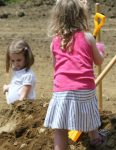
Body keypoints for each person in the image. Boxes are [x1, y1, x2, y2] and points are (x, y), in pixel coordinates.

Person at [44, 0, 106, 149]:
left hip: (61, 91)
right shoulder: (88, 37)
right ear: (81, 16)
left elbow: (56, 67)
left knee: (60, 128)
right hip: (85, 90)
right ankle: (95, 139)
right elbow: (98, 61)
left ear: (57, 17)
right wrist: (101, 50)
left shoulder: (54, 41)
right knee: (90, 114)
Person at [3, 38, 36, 104]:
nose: (15, 64)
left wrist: (17, 107)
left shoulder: (28, 75)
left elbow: (23, 96)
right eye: (13, 60)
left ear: (26, 57)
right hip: (15, 108)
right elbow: (17, 84)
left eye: (19, 60)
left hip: (23, 109)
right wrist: (9, 87)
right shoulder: (17, 71)